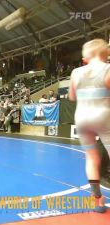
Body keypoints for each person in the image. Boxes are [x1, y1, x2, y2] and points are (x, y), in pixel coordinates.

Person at [69, 38, 110, 213]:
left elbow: (72, 96)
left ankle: (98, 202)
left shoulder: (76, 72)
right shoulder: (108, 68)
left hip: (82, 118)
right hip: (103, 116)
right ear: (105, 54)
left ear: (86, 57)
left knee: (91, 158)